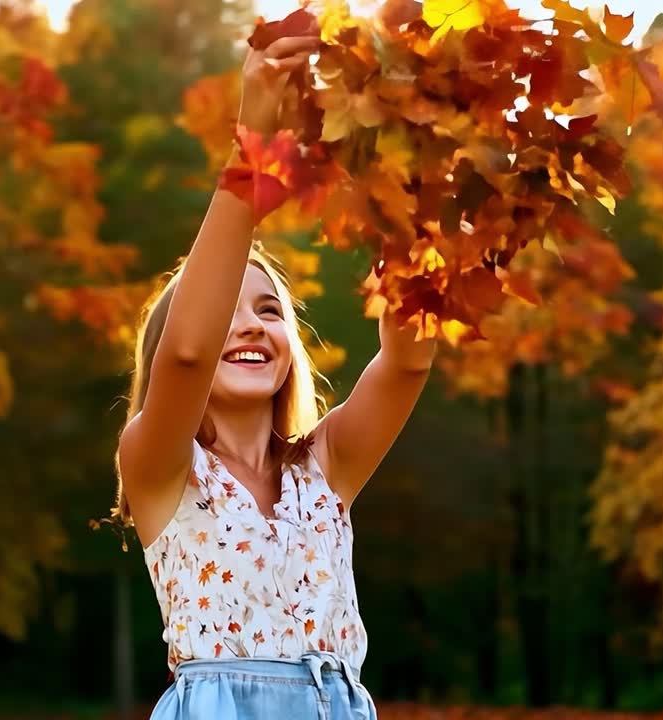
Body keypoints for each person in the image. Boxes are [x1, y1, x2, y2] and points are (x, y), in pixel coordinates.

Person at [113, 28, 436, 720]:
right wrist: (249, 148)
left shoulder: (325, 469)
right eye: (226, 312)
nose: (253, 326)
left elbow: (408, 361)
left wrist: (400, 180)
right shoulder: (160, 466)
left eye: (268, 310)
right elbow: (188, 354)